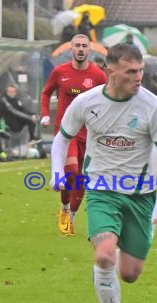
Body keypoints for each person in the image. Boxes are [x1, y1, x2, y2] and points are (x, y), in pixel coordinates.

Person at [50, 43, 157, 303]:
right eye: (131, 72)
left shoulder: (152, 106)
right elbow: (61, 138)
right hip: (101, 190)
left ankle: (124, 240)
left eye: (141, 71)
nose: (138, 78)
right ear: (111, 70)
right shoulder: (87, 102)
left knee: (130, 273)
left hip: (140, 195)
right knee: (105, 256)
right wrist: (57, 173)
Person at [40, 34, 107, 235]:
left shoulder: (98, 76)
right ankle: (64, 207)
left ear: (89, 50)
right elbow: (46, 92)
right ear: (71, 49)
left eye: (84, 46)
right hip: (66, 130)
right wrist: (45, 114)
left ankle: (72, 214)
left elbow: (106, 101)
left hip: (89, 133)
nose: (80, 49)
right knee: (72, 172)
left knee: (82, 180)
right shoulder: (60, 72)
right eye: (77, 45)